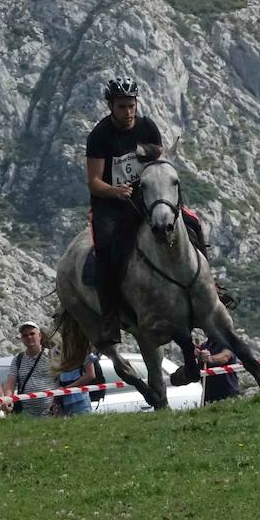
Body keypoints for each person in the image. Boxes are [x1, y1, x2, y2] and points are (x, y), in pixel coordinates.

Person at [85, 75, 163, 345]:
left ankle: (211, 287)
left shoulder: (147, 127)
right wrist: (115, 191)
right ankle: (109, 317)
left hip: (144, 197)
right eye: (122, 107)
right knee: (106, 250)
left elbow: (159, 161)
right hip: (110, 206)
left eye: (132, 105)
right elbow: (94, 182)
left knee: (189, 222)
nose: (129, 112)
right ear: (111, 106)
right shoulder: (99, 136)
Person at [5, 321, 56, 417]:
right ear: (22, 339)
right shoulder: (17, 359)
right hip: (26, 414)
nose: (29, 337)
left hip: (50, 413)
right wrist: (8, 398)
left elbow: (62, 379)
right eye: (25, 335)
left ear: (40, 336)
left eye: (32, 334)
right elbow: (10, 383)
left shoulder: (52, 356)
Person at [196, 335, 240, 404]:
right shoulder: (204, 346)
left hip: (227, 395)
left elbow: (225, 356)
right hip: (208, 396)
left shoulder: (227, 342)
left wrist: (210, 358)